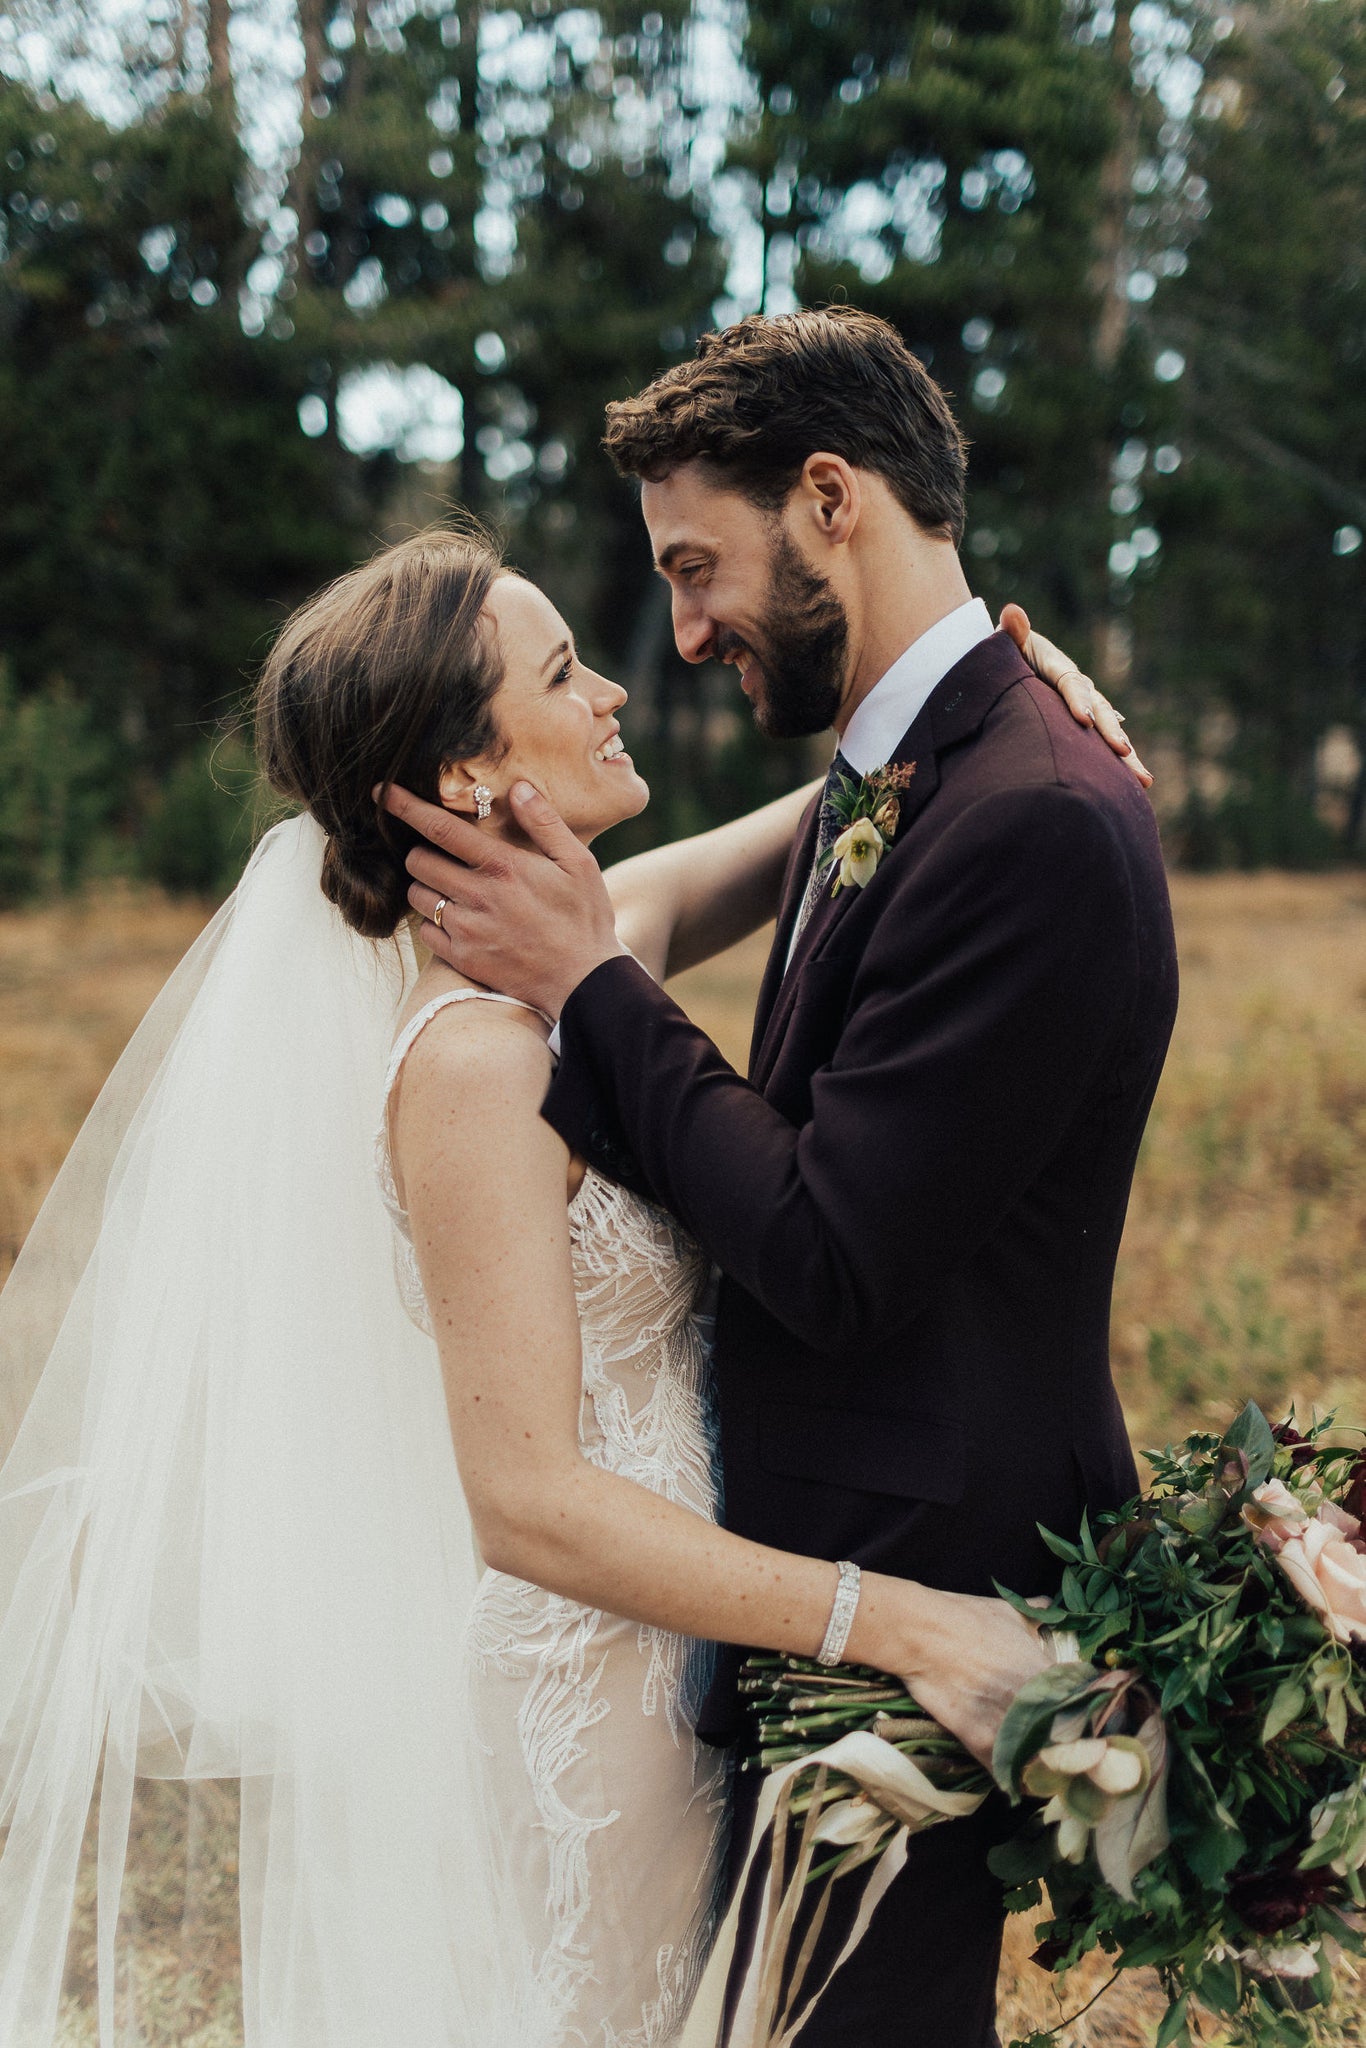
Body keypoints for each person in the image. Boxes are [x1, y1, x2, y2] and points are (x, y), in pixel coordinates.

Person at [0, 513, 1133, 2046]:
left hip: (700, 1653)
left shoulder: (563, 959)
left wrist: (994, 696)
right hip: (602, 1706)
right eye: (561, 672)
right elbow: (524, 1501)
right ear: (472, 779)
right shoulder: (471, 1066)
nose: (612, 689)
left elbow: (846, 807)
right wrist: (911, 1626)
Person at [383, 307, 1181, 2048]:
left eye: (695, 567)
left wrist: (593, 984)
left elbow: (825, 1251)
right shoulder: (906, 767)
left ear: (831, 497)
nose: (674, 636)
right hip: (767, 1622)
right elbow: (741, 863)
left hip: (912, 1596)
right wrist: (966, 683)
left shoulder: (1023, 807)